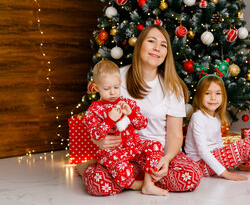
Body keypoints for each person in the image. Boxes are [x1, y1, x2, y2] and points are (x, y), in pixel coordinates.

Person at [75, 25, 202, 196]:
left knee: (191, 175)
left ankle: (130, 180)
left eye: (163, 45)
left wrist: (165, 159)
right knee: (97, 183)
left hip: (156, 153)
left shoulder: (173, 87)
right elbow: (99, 115)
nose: (157, 48)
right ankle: (123, 177)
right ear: (140, 44)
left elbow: (175, 135)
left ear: (167, 53)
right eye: (151, 41)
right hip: (123, 154)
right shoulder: (117, 77)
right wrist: (99, 141)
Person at [84, 60, 168, 196]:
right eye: (107, 89)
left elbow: (142, 124)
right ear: (96, 87)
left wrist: (132, 113)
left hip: (134, 147)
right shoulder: (94, 111)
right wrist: (109, 119)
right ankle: (134, 185)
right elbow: (96, 135)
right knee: (120, 169)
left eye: (116, 87)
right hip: (113, 154)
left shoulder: (126, 103)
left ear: (120, 84)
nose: (112, 92)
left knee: (155, 146)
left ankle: (148, 184)